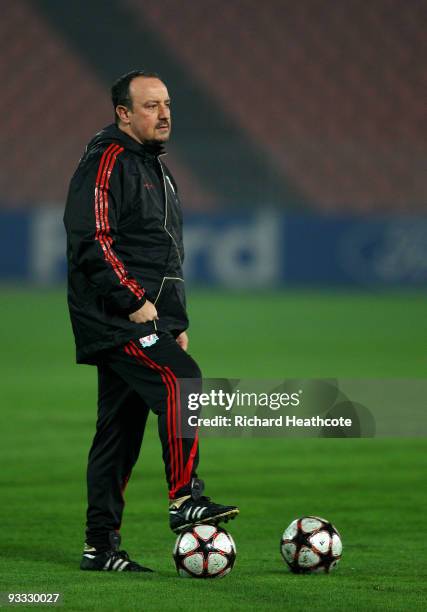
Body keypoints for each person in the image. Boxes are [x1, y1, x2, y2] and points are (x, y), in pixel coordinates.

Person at [64, 70, 239, 572]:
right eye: (149, 106)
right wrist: (132, 301)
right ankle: (185, 498)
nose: (163, 114)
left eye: (167, 104)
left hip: (144, 317)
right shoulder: (108, 160)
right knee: (184, 382)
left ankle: (100, 548)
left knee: (117, 432)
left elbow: (162, 253)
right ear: (123, 113)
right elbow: (92, 237)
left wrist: (173, 320)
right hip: (117, 316)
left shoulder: (154, 167)